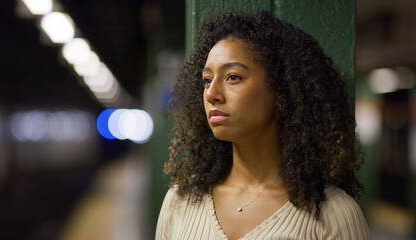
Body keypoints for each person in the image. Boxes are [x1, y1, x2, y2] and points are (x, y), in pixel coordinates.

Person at [156, 10, 371, 240]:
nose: (211, 94)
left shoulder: (333, 214)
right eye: (207, 80)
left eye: (232, 77)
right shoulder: (179, 202)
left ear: (280, 92)